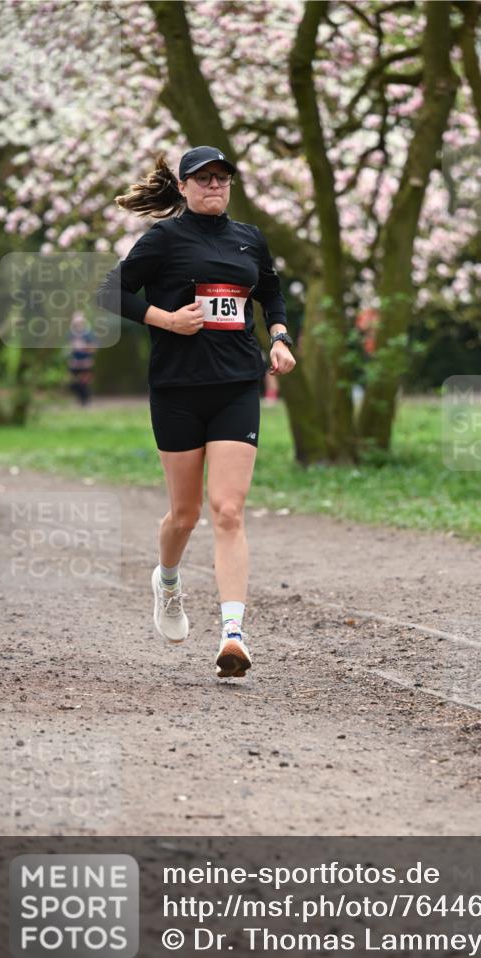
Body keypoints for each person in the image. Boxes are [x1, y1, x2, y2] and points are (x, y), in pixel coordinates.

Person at [96, 146, 295, 678]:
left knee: (228, 509)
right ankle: (167, 582)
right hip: (178, 389)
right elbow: (109, 292)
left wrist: (278, 337)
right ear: (182, 187)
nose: (214, 186)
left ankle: (233, 634)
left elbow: (271, 293)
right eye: (203, 179)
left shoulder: (249, 238)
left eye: (222, 179)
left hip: (236, 385)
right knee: (184, 515)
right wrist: (165, 319)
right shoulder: (163, 239)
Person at [66, 311, 98, 405]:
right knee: (73, 383)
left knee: (85, 383)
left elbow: (94, 348)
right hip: (74, 363)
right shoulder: (70, 334)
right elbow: (68, 348)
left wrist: (84, 347)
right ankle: (80, 399)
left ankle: (86, 401)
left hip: (85, 362)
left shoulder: (88, 334)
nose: (78, 324)